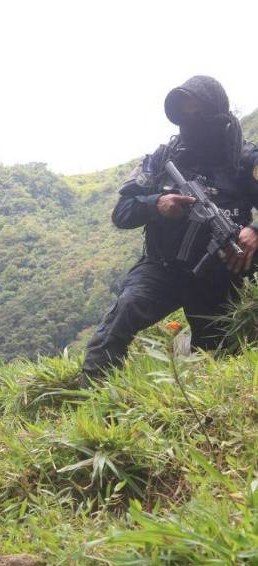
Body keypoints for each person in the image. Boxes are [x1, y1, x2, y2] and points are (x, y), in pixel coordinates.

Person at [81, 76, 258, 382]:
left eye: (198, 114)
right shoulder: (164, 158)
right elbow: (121, 213)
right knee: (123, 314)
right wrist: (156, 204)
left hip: (219, 277)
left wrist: (255, 231)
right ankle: (89, 400)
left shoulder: (243, 159)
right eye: (183, 115)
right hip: (161, 268)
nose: (191, 123)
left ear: (217, 113)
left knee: (219, 361)